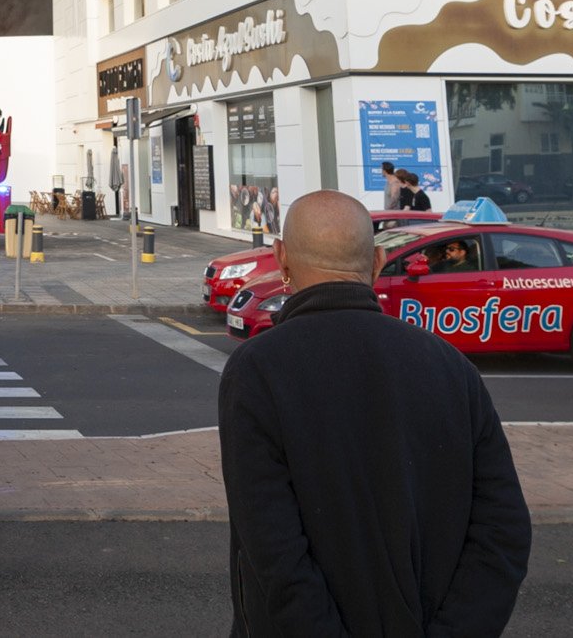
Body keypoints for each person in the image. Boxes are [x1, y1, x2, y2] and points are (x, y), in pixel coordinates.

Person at [219, 191, 530, 636]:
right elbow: (504, 531)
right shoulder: (450, 366)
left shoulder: (257, 370)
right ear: (378, 261)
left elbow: (273, 550)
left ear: (281, 259)